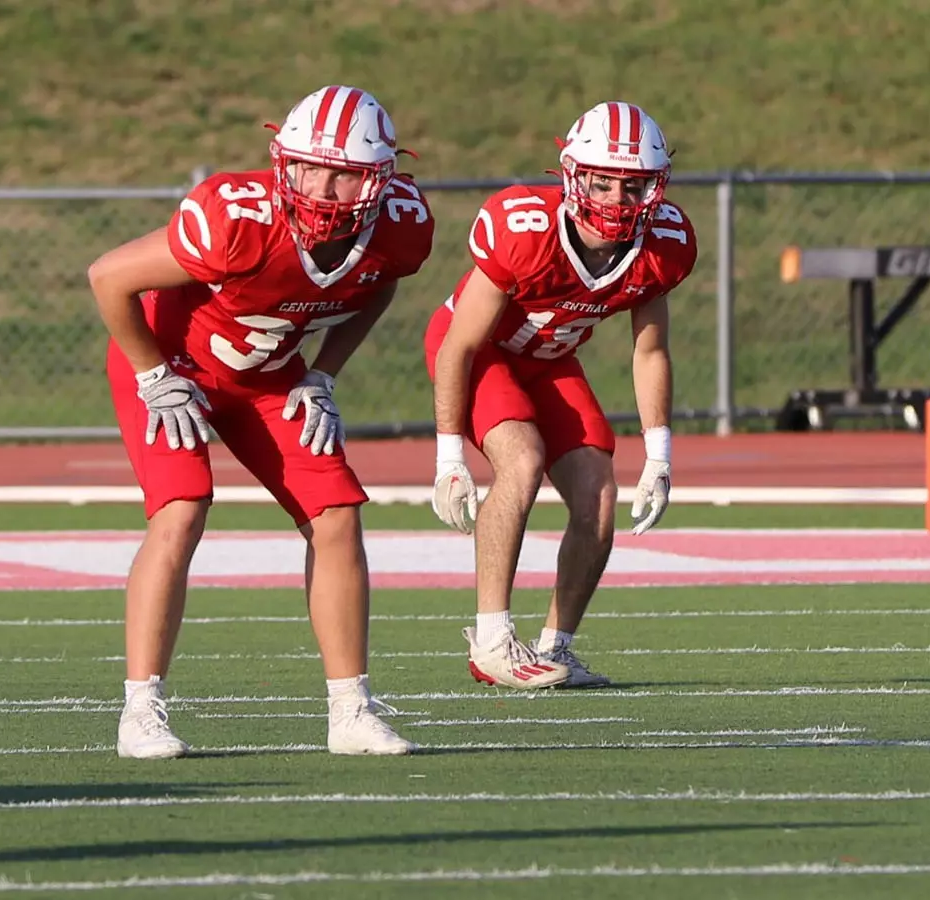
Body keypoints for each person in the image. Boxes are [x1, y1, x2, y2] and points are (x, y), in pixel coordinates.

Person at [88, 85, 434, 757]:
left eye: (343, 172)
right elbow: (109, 277)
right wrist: (153, 375)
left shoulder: (397, 227)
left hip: (268, 371)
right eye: (308, 165)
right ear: (284, 160)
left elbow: (380, 280)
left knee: (336, 514)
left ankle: (350, 711)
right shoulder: (237, 217)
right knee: (181, 509)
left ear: (379, 179)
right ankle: (141, 712)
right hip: (173, 362)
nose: (320, 185)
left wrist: (324, 371)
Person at [425, 101, 697, 689]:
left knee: (598, 493)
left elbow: (650, 350)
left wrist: (660, 454)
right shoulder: (523, 229)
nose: (616, 202)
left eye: (634, 187)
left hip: (548, 360)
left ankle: (557, 647)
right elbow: (458, 345)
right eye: (603, 182)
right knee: (519, 460)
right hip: (481, 352)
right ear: (573, 175)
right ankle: (492, 640)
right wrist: (449, 458)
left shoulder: (661, 246)